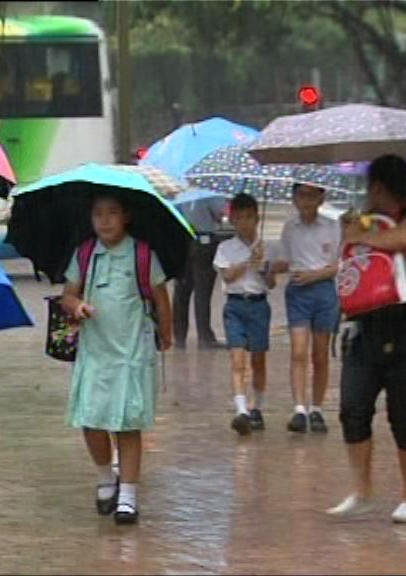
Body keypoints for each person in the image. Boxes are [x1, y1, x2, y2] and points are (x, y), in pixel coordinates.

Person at [328, 154, 406, 524]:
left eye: (372, 186)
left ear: (380, 186)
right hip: (364, 328)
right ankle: (361, 490)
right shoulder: (364, 220)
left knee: (404, 415)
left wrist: (365, 236)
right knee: (353, 408)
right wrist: (352, 232)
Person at [60, 192, 173, 524]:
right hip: (94, 353)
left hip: (130, 355)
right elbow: (68, 293)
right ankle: (105, 477)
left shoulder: (142, 255)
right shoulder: (84, 255)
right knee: (91, 421)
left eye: (112, 213)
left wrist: (166, 335)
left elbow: (161, 298)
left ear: (126, 217)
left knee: (127, 424)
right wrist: (76, 305)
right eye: (98, 213)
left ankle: (128, 496)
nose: (105, 220)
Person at [270, 184, 340, 434]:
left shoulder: (332, 227)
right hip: (298, 292)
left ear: (322, 197)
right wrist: (274, 265)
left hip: (324, 292)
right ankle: (299, 407)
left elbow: (337, 266)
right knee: (298, 350)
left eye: (312, 195)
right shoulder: (290, 227)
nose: (306, 201)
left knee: (320, 354)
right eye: (301, 195)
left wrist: (314, 275)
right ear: (294, 198)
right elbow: (286, 260)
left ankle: (317, 408)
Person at [213, 193, 277, 436]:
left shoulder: (266, 247)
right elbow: (227, 276)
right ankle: (240, 410)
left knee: (258, 359)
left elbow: (270, 283)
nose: (244, 223)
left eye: (249, 217)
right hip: (235, 306)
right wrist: (247, 262)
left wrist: (262, 267)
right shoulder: (225, 248)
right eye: (238, 218)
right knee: (237, 359)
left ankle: (257, 407)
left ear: (257, 218)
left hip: (259, 305)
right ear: (232, 220)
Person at [173, 191, 230, 349]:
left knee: (182, 290)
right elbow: (219, 214)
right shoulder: (210, 191)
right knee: (202, 290)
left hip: (184, 240)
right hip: (205, 241)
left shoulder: (182, 191)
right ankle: (204, 336)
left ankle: (179, 336)